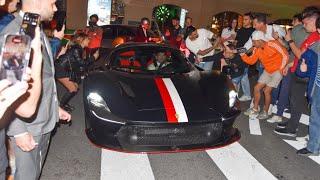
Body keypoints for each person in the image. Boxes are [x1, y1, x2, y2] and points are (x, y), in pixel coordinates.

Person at [0, 0, 71, 179]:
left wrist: (54, 107)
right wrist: (18, 131)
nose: (55, 8)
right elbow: (9, 89)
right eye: (53, 3)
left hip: (41, 122)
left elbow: (45, 78)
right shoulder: (17, 34)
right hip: (29, 128)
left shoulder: (32, 28)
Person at [274, 6, 320, 137]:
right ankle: (292, 125)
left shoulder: (316, 37)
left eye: (305, 23)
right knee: (295, 101)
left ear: (313, 20)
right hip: (299, 71)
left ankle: (293, 129)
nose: (304, 26)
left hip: (307, 76)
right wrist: (290, 64)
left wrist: (290, 40)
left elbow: (301, 55)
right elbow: (301, 56)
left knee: (302, 104)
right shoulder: (312, 36)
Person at [268, 13, 309, 124]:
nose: (292, 23)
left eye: (293, 21)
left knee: (285, 89)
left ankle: (279, 114)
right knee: (293, 92)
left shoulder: (297, 29)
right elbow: (289, 46)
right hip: (299, 65)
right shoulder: (308, 33)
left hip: (293, 64)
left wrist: (289, 64)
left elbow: (293, 48)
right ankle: (288, 113)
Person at [241, 31, 288, 120]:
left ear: (260, 40)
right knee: (256, 88)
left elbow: (285, 54)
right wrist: (243, 55)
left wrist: (281, 69)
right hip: (268, 71)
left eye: (254, 42)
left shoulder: (272, 44)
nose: (253, 44)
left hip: (278, 70)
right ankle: (255, 109)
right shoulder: (256, 49)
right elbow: (252, 61)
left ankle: (265, 112)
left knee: (266, 91)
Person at [55, 32, 99, 112]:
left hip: (66, 69)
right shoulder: (76, 49)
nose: (89, 41)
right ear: (81, 40)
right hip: (61, 69)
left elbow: (78, 64)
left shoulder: (79, 48)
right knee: (73, 89)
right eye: (87, 39)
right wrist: (93, 57)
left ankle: (63, 104)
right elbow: (82, 63)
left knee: (75, 87)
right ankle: (61, 107)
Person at [296, 16, 320, 156]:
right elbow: (302, 69)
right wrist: (303, 69)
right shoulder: (314, 49)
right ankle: (313, 147)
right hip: (317, 88)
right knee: (316, 118)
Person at [235, 13, 255, 102]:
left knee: (241, 75)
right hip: (237, 54)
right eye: (243, 19)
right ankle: (243, 94)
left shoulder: (253, 31)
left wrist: (245, 53)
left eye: (246, 19)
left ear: (250, 20)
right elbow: (236, 42)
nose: (244, 21)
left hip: (246, 56)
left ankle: (243, 94)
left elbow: (254, 46)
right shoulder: (240, 30)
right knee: (242, 75)